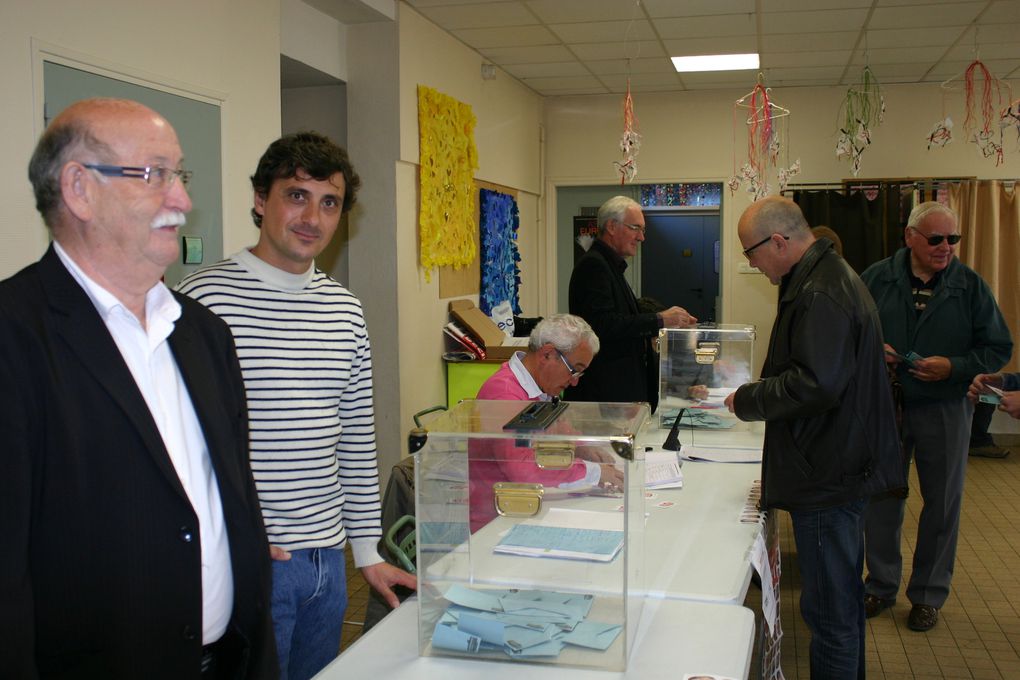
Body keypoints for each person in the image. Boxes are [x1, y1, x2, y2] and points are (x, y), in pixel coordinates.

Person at [0, 98, 276, 678]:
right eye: (154, 174)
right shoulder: (15, 336)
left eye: (179, 175)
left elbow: (236, 507)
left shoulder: (203, 333)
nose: (182, 200)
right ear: (79, 189)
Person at [177, 132, 416, 680]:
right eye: (296, 195)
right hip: (251, 562)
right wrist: (229, 537)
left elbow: (356, 437)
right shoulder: (203, 299)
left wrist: (365, 551)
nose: (313, 216)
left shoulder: (345, 311)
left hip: (328, 565)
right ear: (262, 200)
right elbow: (179, 445)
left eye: (328, 202)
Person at [724, 196, 904, 679]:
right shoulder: (821, 277)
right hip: (833, 463)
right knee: (839, 608)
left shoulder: (821, 291)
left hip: (828, 472)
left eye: (751, 252)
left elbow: (815, 383)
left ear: (779, 242)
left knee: (830, 615)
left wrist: (749, 399)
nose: (752, 263)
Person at [862, 202, 1012, 632]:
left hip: (946, 407)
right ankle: (881, 585)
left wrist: (957, 366)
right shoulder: (877, 278)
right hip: (888, 405)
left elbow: (998, 346)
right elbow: (851, 330)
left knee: (943, 504)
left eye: (953, 239)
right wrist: (877, 354)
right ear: (909, 237)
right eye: (936, 239)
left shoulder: (971, 286)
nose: (946, 247)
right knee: (883, 498)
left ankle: (928, 594)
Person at [471, 314, 624, 530]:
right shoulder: (505, 394)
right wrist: (593, 473)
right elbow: (521, 470)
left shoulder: (538, 385)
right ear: (548, 354)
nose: (574, 381)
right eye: (574, 370)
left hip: (523, 503)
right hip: (495, 520)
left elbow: (556, 429)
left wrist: (582, 448)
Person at [566, 195, 696, 409]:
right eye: (636, 228)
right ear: (611, 226)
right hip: (606, 393)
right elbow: (602, 325)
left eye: (643, 230)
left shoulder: (609, 266)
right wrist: (659, 319)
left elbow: (621, 317)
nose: (641, 237)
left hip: (618, 390)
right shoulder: (593, 266)